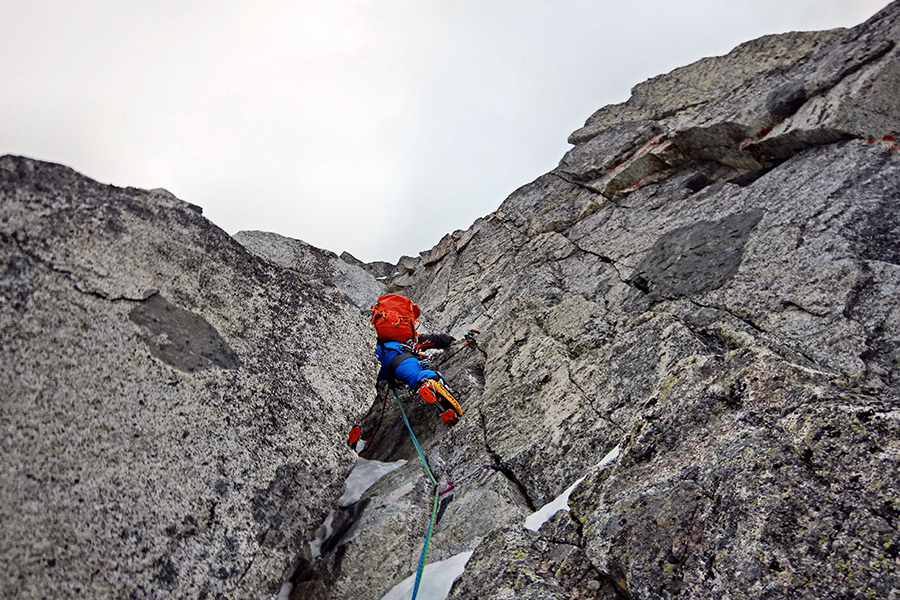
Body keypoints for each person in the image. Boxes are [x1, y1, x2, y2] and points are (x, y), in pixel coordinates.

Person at [370, 294, 464, 426]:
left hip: (376, 356)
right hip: (400, 358)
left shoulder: (374, 333)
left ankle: (355, 434)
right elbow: (436, 340)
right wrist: (449, 339)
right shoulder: (411, 340)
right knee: (416, 375)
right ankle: (430, 383)